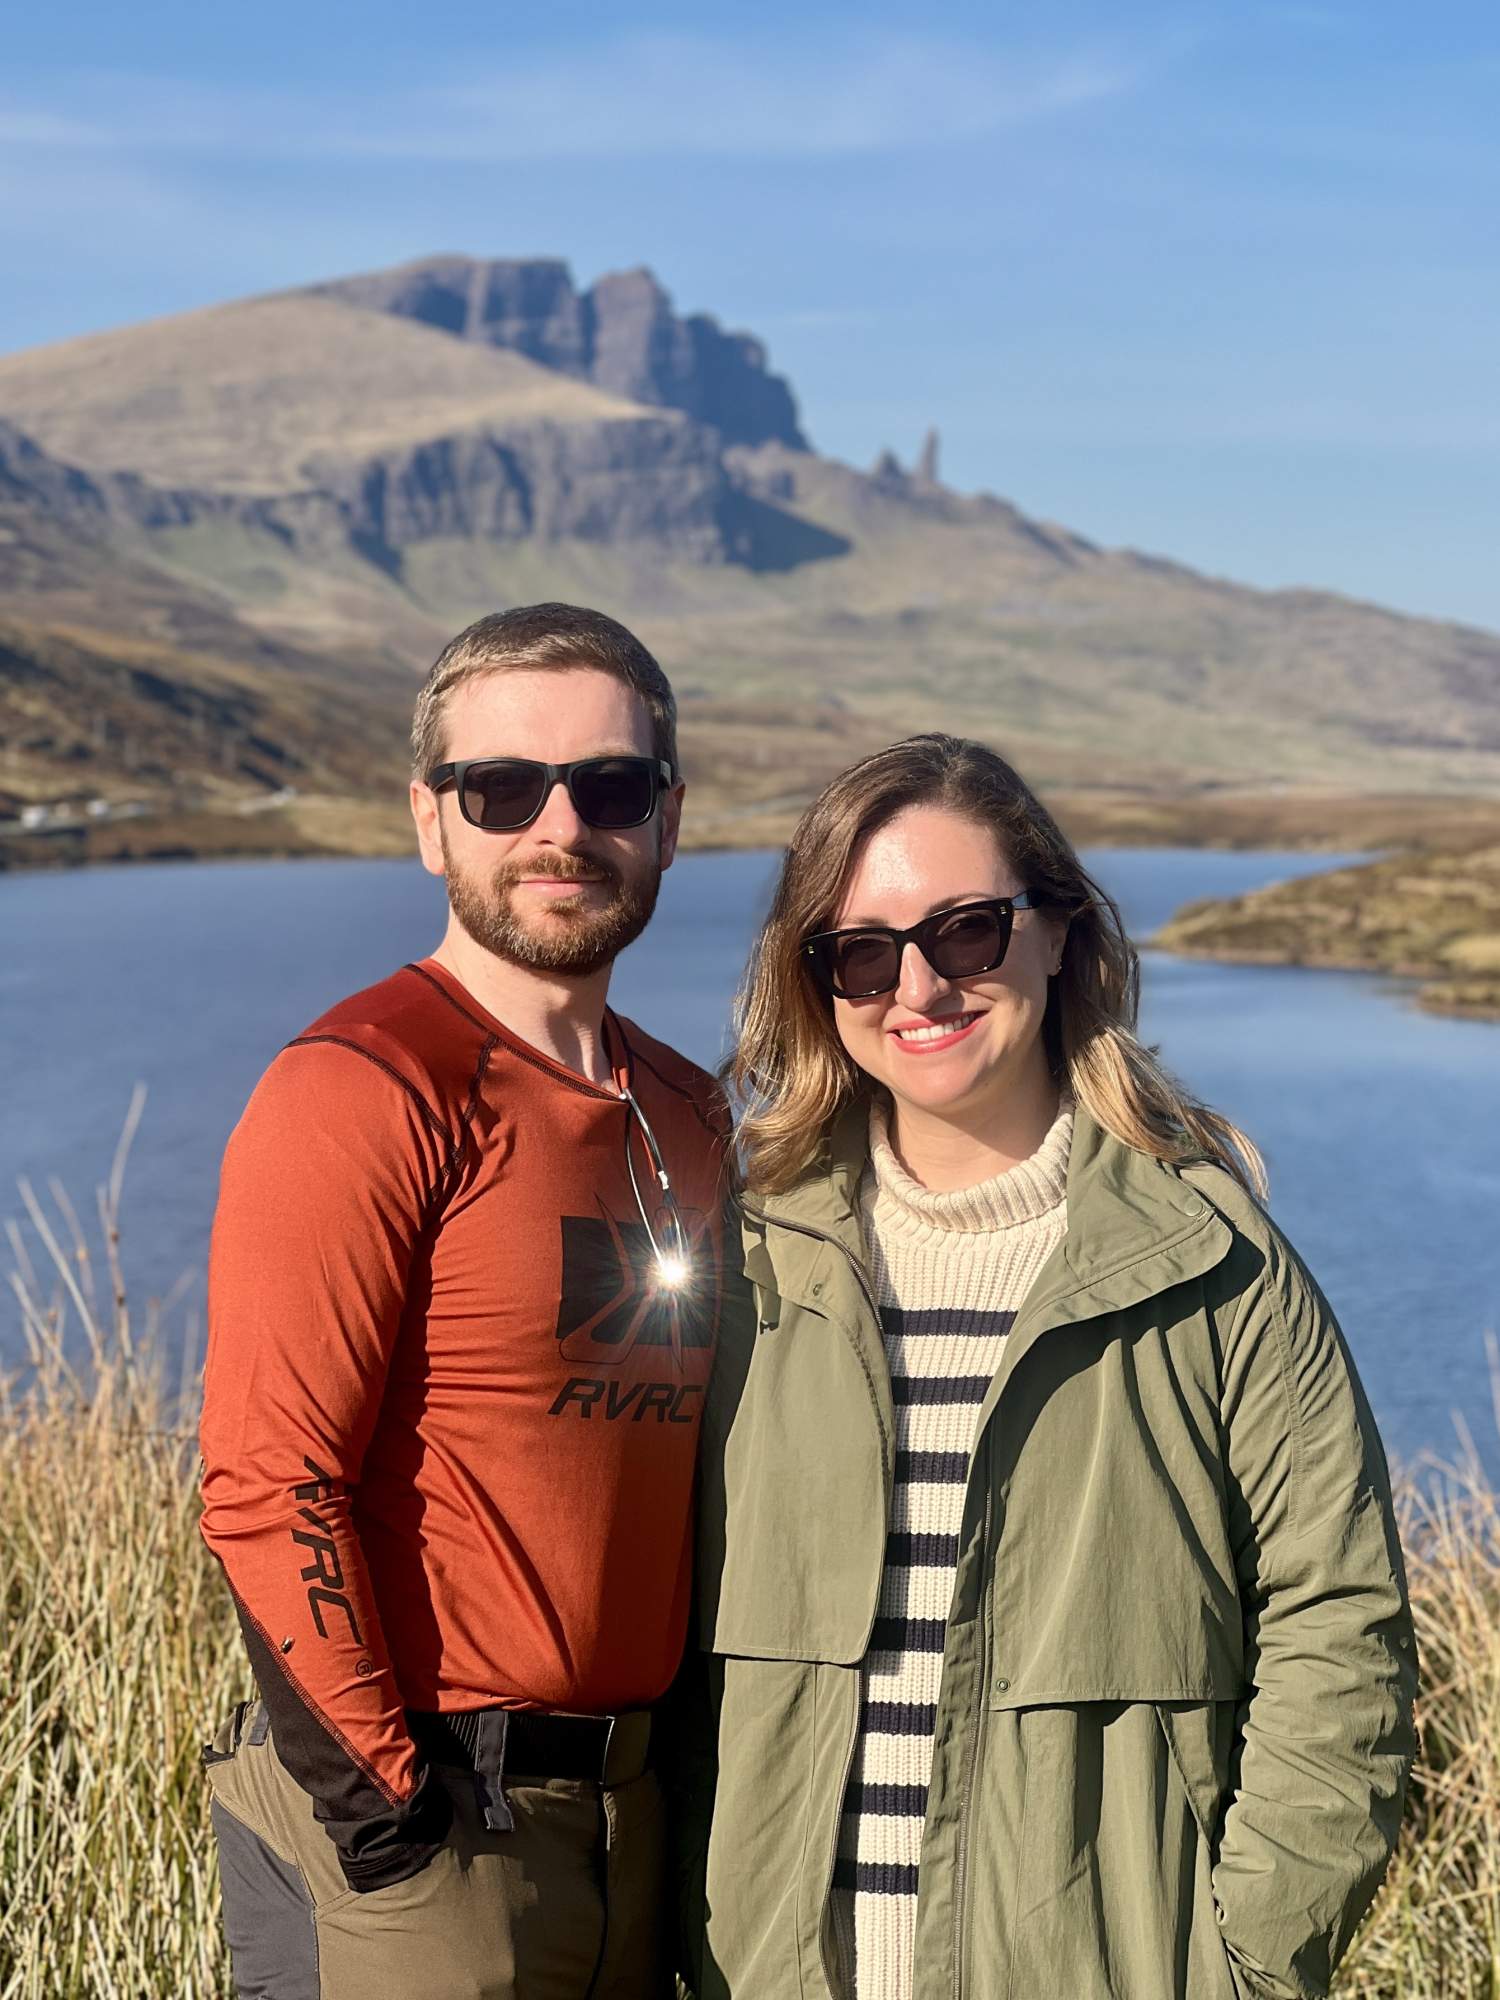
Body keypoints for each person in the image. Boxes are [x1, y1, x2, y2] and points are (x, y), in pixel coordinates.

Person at [682, 733, 1417, 2000]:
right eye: (860, 952)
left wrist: (1241, 1964)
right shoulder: (748, 1262)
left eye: (966, 931)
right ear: (818, 983)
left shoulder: (1214, 1264)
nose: (917, 987)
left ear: (1059, 930)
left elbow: (1340, 1630)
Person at [199, 603, 734, 1999]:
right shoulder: (362, 1087)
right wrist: (387, 1821)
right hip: (437, 1831)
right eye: (502, 789)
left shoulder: (689, 1112)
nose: (560, 827)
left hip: (636, 1823)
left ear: (668, 820)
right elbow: (269, 1486)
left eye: (609, 787)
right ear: (431, 823)